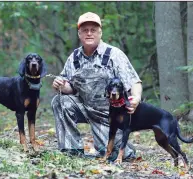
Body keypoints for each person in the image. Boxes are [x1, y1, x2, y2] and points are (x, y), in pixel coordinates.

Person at [51, 12, 142, 161]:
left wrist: (136, 98)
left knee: (118, 156)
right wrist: (61, 85)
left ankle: (122, 146)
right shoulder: (74, 58)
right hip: (84, 107)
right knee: (59, 101)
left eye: (93, 30)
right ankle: (71, 151)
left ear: (100, 33)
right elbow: (70, 88)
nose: (89, 33)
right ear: (79, 34)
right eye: (85, 30)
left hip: (108, 116)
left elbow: (134, 82)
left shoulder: (114, 55)